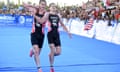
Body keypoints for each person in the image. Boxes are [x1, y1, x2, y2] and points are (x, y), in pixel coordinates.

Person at [23, 0, 48, 72]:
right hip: (34, 33)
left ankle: (32, 50)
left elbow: (41, 21)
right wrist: (28, 5)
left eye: (44, 5)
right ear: (39, 4)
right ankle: (39, 68)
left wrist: (34, 15)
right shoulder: (35, 10)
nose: (43, 6)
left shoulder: (46, 13)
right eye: (41, 4)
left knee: (38, 52)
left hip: (41, 35)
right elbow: (26, 6)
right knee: (36, 51)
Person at [47, 3, 71, 72]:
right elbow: (42, 21)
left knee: (58, 52)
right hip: (50, 34)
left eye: (55, 7)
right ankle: (51, 67)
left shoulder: (58, 16)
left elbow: (62, 25)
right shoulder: (48, 15)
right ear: (50, 8)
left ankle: (51, 55)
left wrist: (68, 32)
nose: (54, 8)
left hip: (57, 35)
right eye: (52, 7)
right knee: (52, 49)